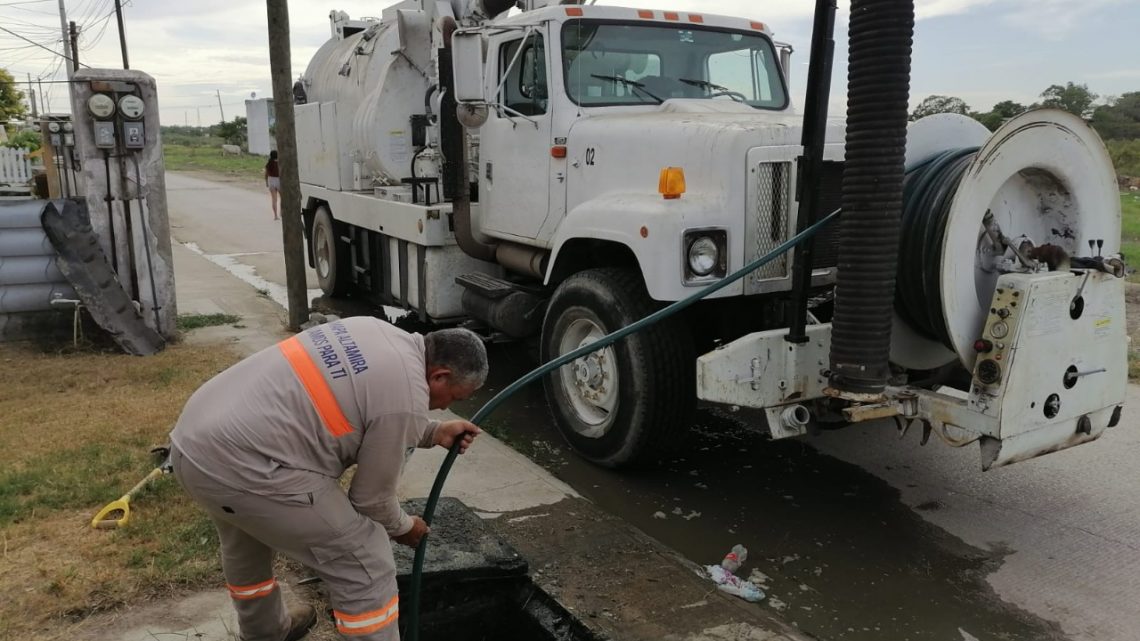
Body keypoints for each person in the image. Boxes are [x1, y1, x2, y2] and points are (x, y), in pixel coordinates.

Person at [170, 317, 487, 641]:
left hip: (195, 444)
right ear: (440, 375)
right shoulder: (405, 395)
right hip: (243, 469)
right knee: (365, 559)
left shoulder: (375, 331)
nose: (449, 406)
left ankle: (263, 632)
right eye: (454, 397)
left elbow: (367, 407)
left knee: (245, 542)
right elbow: (371, 499)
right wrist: (406, 527)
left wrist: (432, 431)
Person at [265, 150, 281, 220]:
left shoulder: (268, 164)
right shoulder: (279, 163)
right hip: (279, 180)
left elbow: (266, 174)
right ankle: (281, 212)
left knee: (274, 199)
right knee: (283, 198)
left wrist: (266, 182)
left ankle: (275, 215)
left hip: (270, 180)